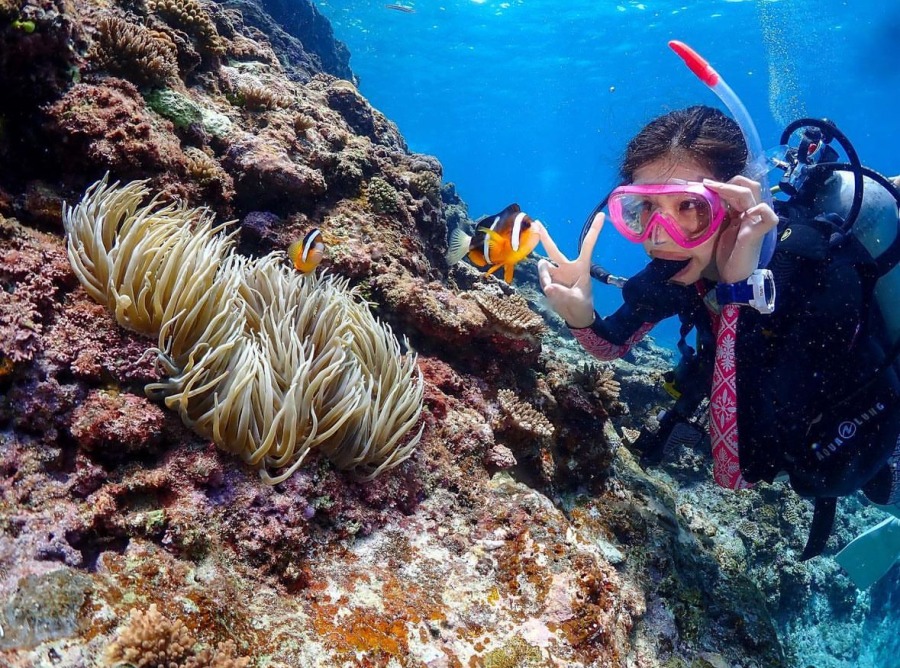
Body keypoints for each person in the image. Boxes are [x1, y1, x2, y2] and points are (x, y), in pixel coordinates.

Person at [536, 105, 900, 576]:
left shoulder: (813, 274)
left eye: (689, 207)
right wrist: (581, 317)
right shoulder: (678, 269)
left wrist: (735, 295)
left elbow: (735, 472)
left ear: (732, 204)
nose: (661, 238)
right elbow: (611, 347)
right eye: (644, 209)